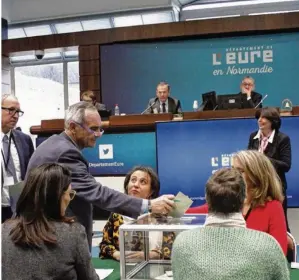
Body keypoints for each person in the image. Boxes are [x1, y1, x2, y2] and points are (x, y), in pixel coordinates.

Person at [27, 101, 175, 249]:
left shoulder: (56, 144)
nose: (98, 134)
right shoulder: (66, 153)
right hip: (51, 240)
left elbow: (86, 196)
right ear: (73, 127)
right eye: (93, 129)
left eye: (100, 129)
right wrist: (148, 205)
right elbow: (96, 193)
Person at [186, 150, 288, 256]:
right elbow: (188, 214)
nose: (234, 175)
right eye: (233, 169)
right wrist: (171, 203)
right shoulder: (225, 199)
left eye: (240, 171)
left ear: (256, 175)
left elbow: (279, 252)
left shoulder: (273, 207)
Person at [99, 166, 175, 261]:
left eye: (143, 182)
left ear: (151, 191)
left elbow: (175, 248)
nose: (136, 185)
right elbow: (104, 244)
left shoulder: (162, 214)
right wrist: (117, 254)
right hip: (125, 270)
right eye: (133, 180)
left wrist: (152, 255)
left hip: (157, 270)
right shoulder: (117, 214)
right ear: (127, 186)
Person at [247, 107, 291, 230]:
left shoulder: (282, 139)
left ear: (273, 121)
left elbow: (286, 165)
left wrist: (263, 160)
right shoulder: (253, 137)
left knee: (281, 225)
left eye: (264, 118)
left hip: (275, 188)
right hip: (256, 188)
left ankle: (286, 249)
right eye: (258, 118)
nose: (260, 120)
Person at [1, 94, 34, 223]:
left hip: (20, 209)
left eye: (18, 112)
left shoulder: (24, 140)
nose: (15, 115)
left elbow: (31, 173)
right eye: (11, 110)